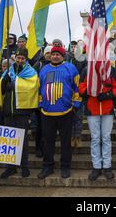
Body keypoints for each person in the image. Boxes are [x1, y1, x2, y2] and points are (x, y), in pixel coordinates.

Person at [38, 46, 81, 179]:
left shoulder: (70, 68)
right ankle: (48, 166)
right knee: (48, 142)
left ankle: (65, 166)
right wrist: (40, 104)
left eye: (58, 54)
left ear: (63, 56)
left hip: (66, 112)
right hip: (47, 113)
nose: (55, 56)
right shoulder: (44, 69)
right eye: (53, 54)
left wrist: (76, 104)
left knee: (65, 142)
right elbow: (39, 88)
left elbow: (77, 87)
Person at [0, 48, 39, 179]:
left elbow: (32, 87)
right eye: (18, 58)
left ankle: (24, 166)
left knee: (22, 140)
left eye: (23, 58)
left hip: (22, 112)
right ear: (15, 57)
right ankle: (10, 167)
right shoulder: (9, 71)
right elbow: (1, 88)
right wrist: (5, 83)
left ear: (26, 59)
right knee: (10, 141)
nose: (20, 60)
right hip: (8, 111)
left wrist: (15, 84)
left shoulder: (30, 72)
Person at [79, 66, 116, 181]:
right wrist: (91, 90)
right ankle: (96, 166)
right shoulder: (86, 69)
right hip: (92, 109)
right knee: (95, 138)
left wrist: (108, 95)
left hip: (107, 108)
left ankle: (107, 166)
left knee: (106, 138)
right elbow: (81, 88)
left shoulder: (111, 70)